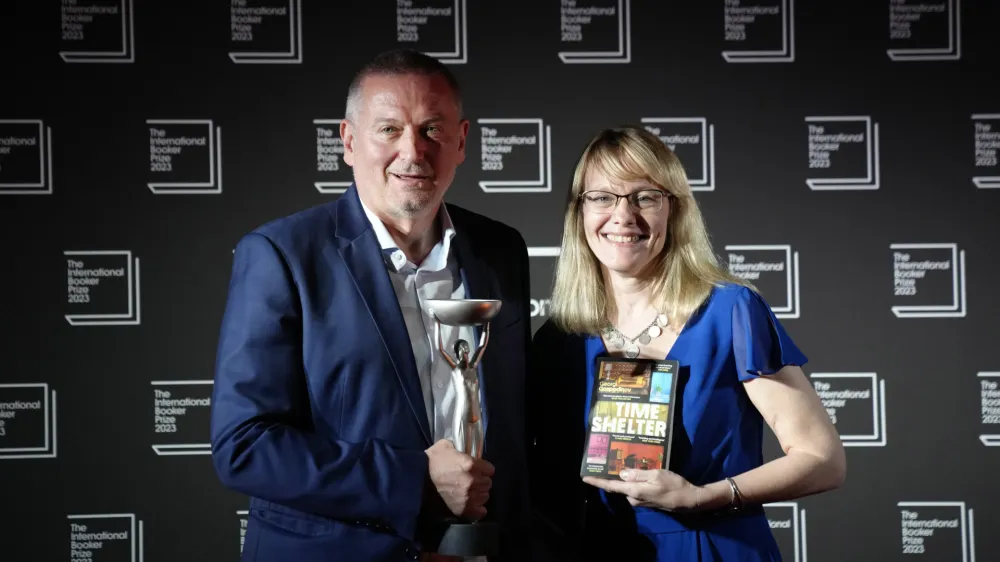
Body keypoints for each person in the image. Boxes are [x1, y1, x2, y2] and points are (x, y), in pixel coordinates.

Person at [210, 49, 533, 562]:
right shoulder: (282, 255)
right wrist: (414, 481)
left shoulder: (501, 249)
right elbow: (245, 447)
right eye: (389, 129)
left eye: (432, 129)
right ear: (349, 140)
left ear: (462, 141)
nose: (413, 151)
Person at [527, 126, 846, 561]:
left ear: (674, 210)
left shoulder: (731, 311)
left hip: (712, 546)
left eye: (645, 196)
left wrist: (701, 497)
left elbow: (823, 459)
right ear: (579, 212)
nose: (623, 216)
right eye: (602, 197)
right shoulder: (559, 339)